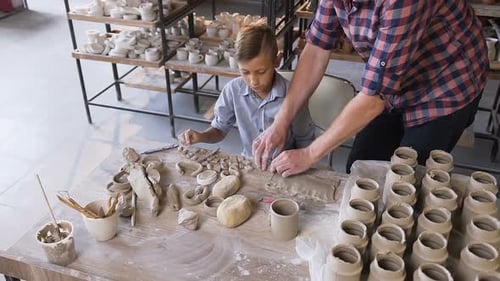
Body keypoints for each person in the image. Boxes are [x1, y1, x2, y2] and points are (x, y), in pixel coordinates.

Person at [253, 0, 488, 176]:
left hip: (446, 82)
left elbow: (374, 97)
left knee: (407, 180)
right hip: (392, 78)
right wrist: (281, 122)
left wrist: (310, 154)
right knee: (361, 169)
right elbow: (315, 50)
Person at [178, 23, 315, 157]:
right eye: (245, 72)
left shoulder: (294, 96)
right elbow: (219, 130)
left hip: (285, 166)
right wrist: (201, 136)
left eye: (261, 71)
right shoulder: (232, 90)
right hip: (250, 162)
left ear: (277, 61)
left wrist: (298, 160)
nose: (253, 81)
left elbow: (305, 142)